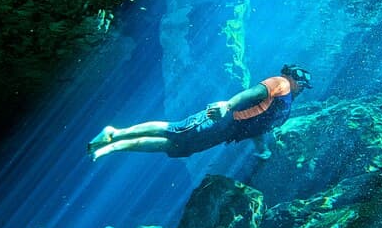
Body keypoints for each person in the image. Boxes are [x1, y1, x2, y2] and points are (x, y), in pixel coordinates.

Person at [87, 64, 312, 161]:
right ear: (295, 77)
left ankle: (115, 146)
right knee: (176, 130)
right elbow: (250, 94)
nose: (302, 88)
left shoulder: (287, 104)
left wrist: (261, 148)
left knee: (178, 147)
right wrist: (227, 106)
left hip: (227, 131)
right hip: (224, 117)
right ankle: (115, 133)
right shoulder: (281, 83)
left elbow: (259, 124)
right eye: (302, 84)